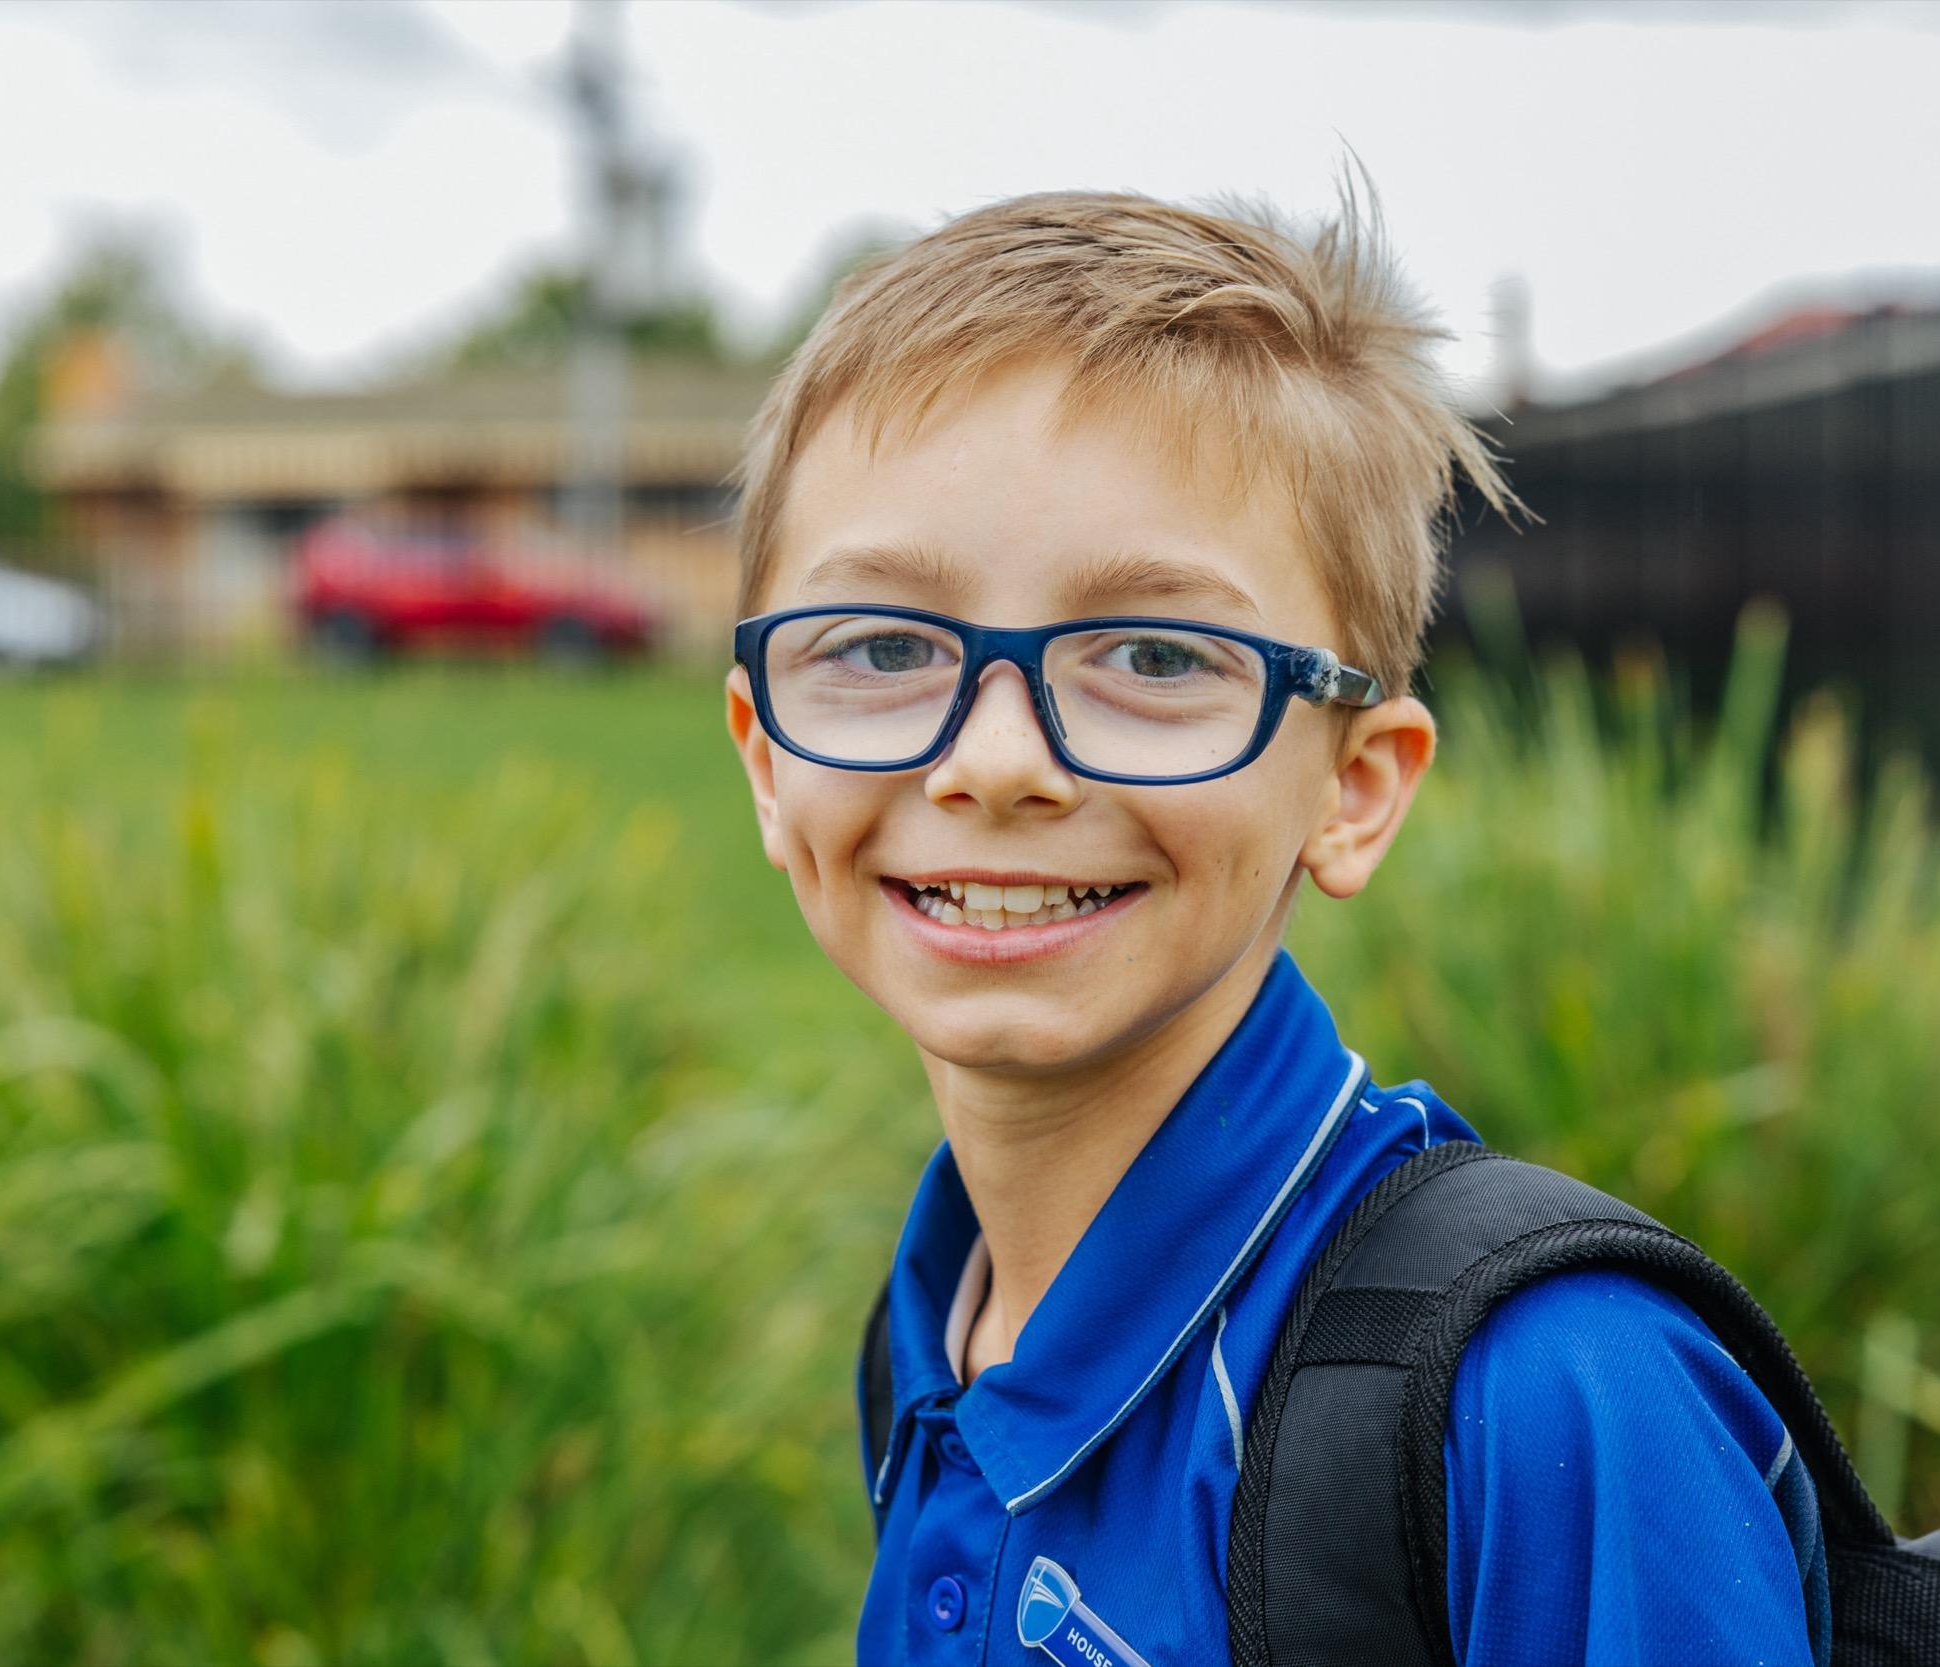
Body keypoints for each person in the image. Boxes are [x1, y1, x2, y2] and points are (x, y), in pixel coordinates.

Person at [722, 179, 1828, 1666]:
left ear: (1355, 790)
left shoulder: (1544, 1399)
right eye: (879, 644)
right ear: (764, 759)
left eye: (1158, 655)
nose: (992, 762)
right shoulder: (946, 1323)